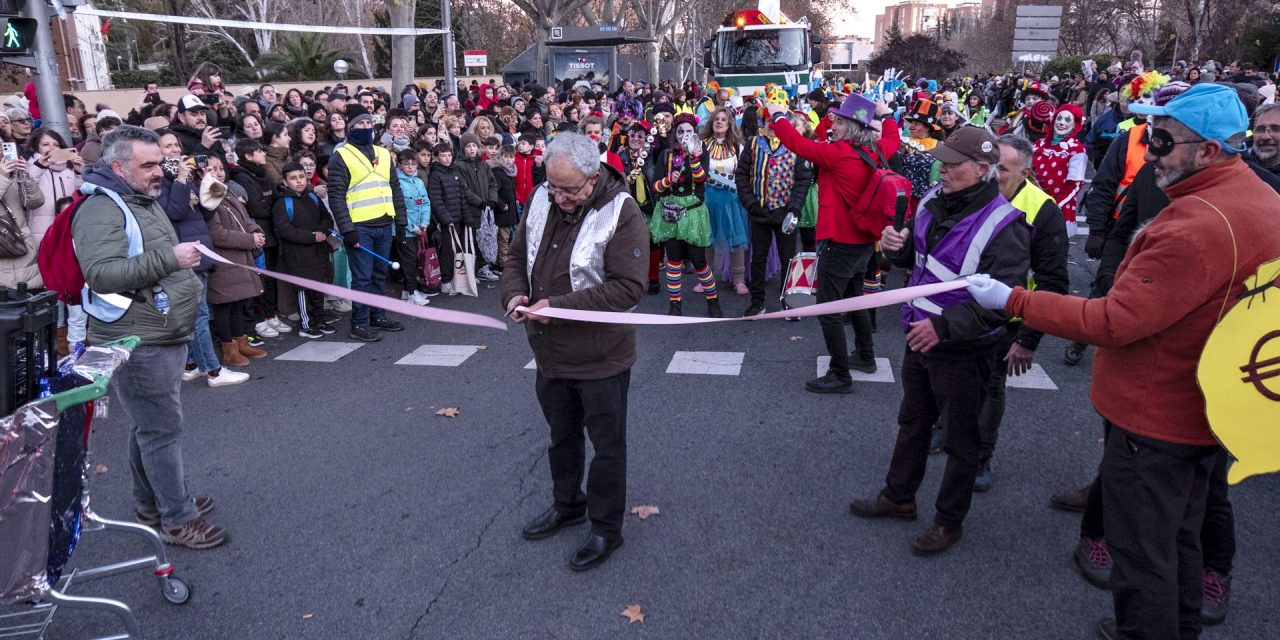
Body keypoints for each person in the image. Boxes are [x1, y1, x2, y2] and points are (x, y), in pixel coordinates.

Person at [964, 83, 1280, 640]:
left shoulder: (1197, 226)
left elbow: (1113, 321)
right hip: (1207, 405)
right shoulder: (1257, 197)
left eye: (1162, 142)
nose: (1148, 153)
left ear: (1209, 150)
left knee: (1142, 555)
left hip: (1158, 414)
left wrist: (1012, 299)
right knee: (1180, 539)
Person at [849, 126, 1030, 557]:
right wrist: (896, 247)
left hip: (964, 348)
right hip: (920, 335)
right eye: (942, 162)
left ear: (982, 169)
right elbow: (917, 261)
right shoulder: (933, 198)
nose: (942, 170)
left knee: (961, 441)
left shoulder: (1005, 225)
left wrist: (945, 328)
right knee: (913, 421)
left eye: (953, 164)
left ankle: (949, 521)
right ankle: (899, 497)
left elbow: (1004, 301)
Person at [500, 132, 648, 572]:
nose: (559, 198)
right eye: (553, 187)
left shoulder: (621, 210)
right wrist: (514, 294)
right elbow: (516, 258)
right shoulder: (541, 198)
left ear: (593, 176)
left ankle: (606, 528)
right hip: (550, 352)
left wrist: (558, 307)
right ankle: (568, 504)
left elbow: (628, 288)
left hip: (601, 356)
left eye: (569, 189)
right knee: (561, 436)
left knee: (607, 447)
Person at [72, 125, 226, 549]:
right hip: (137, 339)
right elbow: (101, 273)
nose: (160, 171)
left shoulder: (140, 198)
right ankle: (177, 519)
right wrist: (170, 258)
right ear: (117, 167)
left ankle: (156, 504)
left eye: (161, 162)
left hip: (157, 331)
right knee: (160, 429)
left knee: (151, 427)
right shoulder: (101, 208)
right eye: (149, 165)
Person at [765, 94, 899, 394]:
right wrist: (887, 114)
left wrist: (778, 116)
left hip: (840, 241)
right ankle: (865, 355)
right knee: (854, 299)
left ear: (851, 127)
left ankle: (839, 373)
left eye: (838, 122)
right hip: (864, 240)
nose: (832, 126)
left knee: (829, 309)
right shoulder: (875, 149)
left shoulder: (838, 153)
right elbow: (893, 137)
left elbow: (797, 143)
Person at [975, 134, 1070, 491]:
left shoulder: (1043, 210)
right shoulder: (972, 192)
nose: (990, 174)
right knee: (949, 378)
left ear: (1024, 173)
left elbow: (1053, 282)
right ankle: (944, 429)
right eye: (987, 165)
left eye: (1001, 168)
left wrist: (1029, 338)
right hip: (960, 311)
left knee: (990, 387)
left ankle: (981, 457)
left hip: (1007, 319)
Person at [327, 111, 408, 342]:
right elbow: (336, 196)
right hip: (359, 226)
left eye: (369, 123)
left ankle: (377, 315)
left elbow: (395, 189)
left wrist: (401, 221)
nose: (366, 126)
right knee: (362, 277)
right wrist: (347, 229)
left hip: (384, 222)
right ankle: (359, 323)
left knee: (379, 274)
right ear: (351, 127)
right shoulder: (341, 155)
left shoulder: (383, 153)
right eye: (360, 123)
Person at [736, 105, 812, 316]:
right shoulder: (753, 143)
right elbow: (741, 175)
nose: (771, 125)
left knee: (788, 259)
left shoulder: (795, 144)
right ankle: (757, 303)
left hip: (784, 213)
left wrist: (794, 209)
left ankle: (789, 304)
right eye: (768, 120)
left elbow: (803, 180)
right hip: (759, 212)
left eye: (775, 120)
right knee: (758, 259)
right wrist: (751, 204)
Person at [649, 113, 721, 317]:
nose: (684, 135)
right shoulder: (666, 155)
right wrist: (667, 181)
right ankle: (675, 305)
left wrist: (694, 158)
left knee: (699, 261)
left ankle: (713, 301)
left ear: (695, 134)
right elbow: (655, 187)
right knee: (673, 260)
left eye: (689, 131)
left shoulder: (701, 152)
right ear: (675, 134)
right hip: (669, 213)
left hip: (692, 212)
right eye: (680, 132)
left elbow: (701, 179)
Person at [199, 154, 261, 379]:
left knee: (238, 303)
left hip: (240, 256)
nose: (218, 173)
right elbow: (217, 234)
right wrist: (249, 239)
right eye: (212, 169)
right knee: (224, 306)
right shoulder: (208, 196)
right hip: (223, 259)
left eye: (220, 168)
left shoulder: (227, 191)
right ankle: (229, 349)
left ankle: (241, 342)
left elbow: (245, 218)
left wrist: (255, 231)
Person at [272, 162, 335, 339]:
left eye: (301, 177)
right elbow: (285, 230)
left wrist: (323, 231)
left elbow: (326, 218)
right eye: (293, 178)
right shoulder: (282, 203)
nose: (299, 181)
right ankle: (306, 325)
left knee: (318, 286)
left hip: (318, 251)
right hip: (297, 255)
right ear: (285, 182)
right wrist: (311, 236)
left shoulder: (312, 197)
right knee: (302, 289)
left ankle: (320, 319)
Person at [702, 107, 749, 295]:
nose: (719, 122)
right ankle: (706, 280)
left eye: (723, 119)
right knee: (708, 240)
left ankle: (739, 280)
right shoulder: (702, 145)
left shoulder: (738, 147)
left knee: (736, 240)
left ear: (730, 124)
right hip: (708, 198)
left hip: (731, 199)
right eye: (716, 119)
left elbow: (743, 173)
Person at [1031, 104, 1088, 235]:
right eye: (1059, 118)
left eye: (1067, 120)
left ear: (1074, 125)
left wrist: (1054, 205)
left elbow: (1074, 184)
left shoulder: (1077, 149)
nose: (1062, 123)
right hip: (1032, 203)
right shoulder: (1038, 144)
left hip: (1058, 208)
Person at [455, 132, 500, 282]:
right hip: (472, 209)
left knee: (486, 239)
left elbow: (493, 184)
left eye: (474, 145)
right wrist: (479, 202)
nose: (472, 149)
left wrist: (492, 200)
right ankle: (472, 271)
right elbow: (464, 188)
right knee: (472, 241)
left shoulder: (483, 165)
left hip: (485, 210)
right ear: (463, 149)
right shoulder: (460, 166)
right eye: (468, 146)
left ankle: (484, 267)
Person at [394, 148, 432, 305]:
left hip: (418, 228)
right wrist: (411, 226)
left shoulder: (418, 182)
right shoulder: (397, 183)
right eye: (406, 164)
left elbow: (425, 203)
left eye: (413, 164)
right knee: (409, 262)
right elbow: (398, 209)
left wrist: (424, 222)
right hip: (404, 230)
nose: (410, 167)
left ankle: (407, 290)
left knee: (415, 260)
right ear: (399, 165)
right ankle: (411, 292)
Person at [427, 142, 466, 294]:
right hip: (447, 221)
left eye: (449, 155)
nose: (447, 158)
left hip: (458, 218)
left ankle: (457, 279)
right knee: (447, 252)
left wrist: (466, 216)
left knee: (458, 250)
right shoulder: (436, 175)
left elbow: (461, 195)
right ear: (436, 158)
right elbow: (436, 200)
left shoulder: (454, 171)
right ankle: (446, 280)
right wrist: (446, 219)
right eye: (443, 156)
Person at [169, 95, 226, 160]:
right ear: (182, 118)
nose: (200, 118)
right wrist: (204, 146)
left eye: (202, 113)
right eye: (194, 115)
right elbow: (185, 164)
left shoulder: (210, 134)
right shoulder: (176, 139)